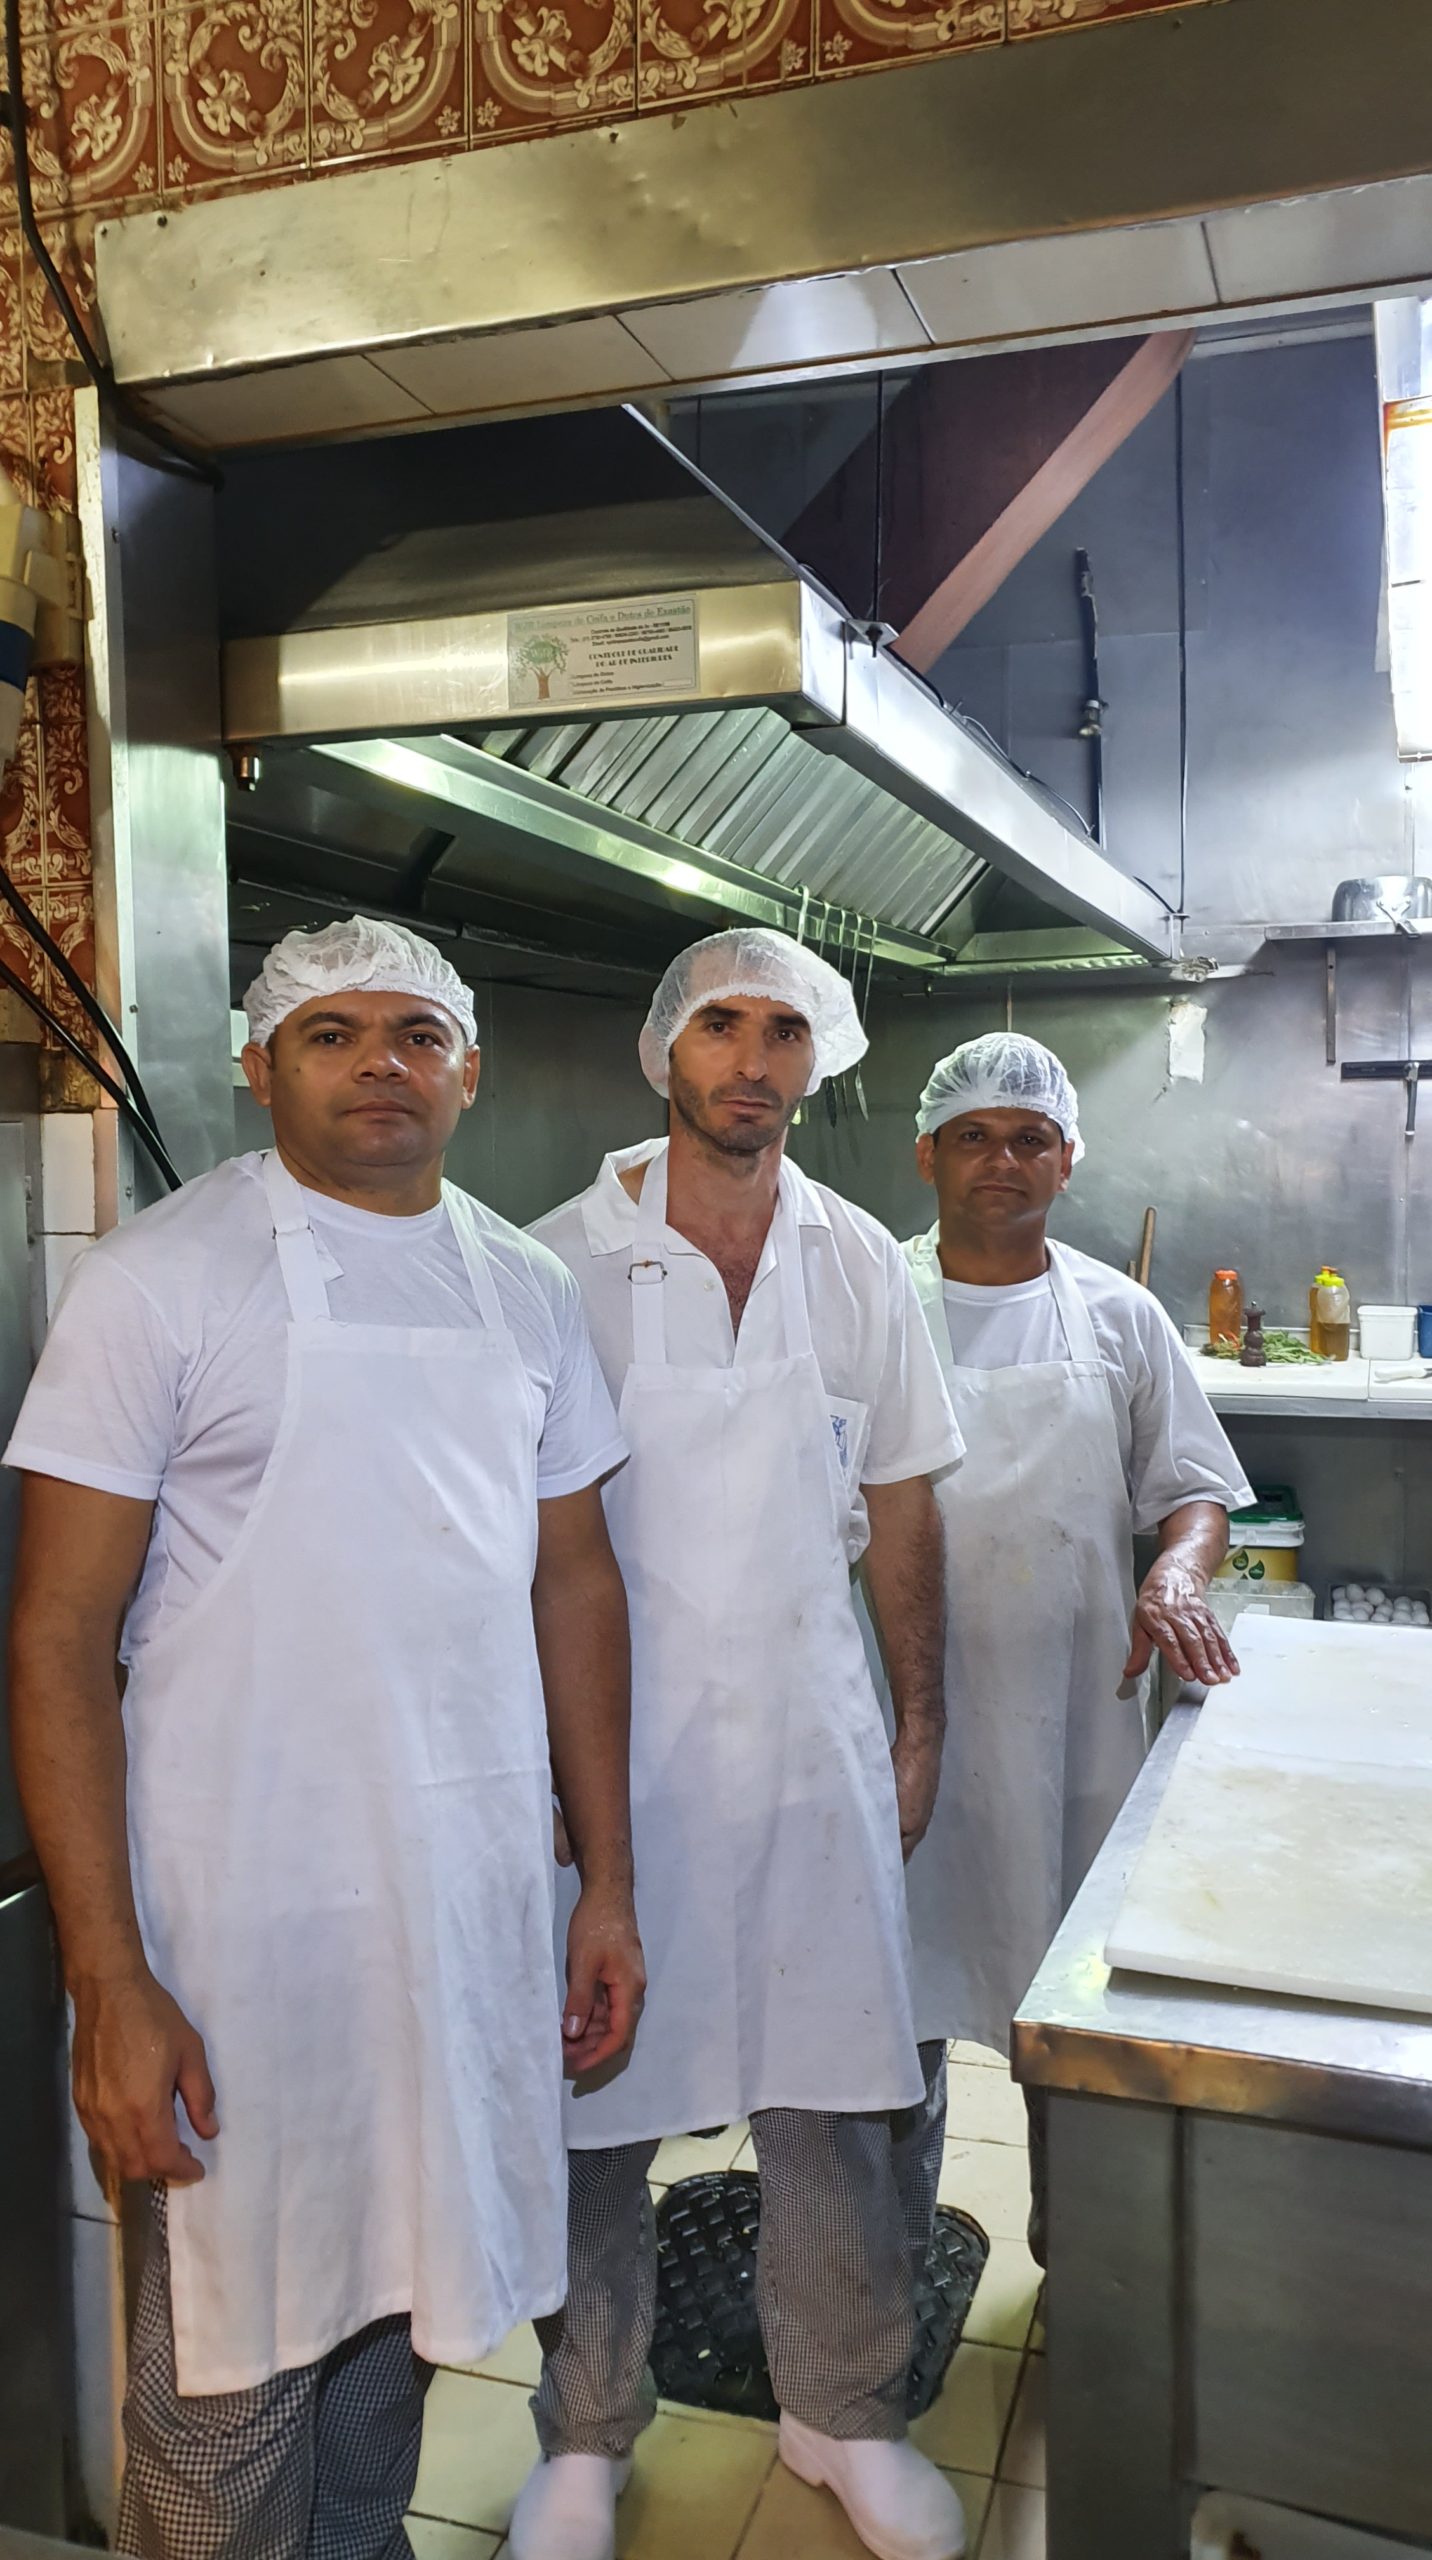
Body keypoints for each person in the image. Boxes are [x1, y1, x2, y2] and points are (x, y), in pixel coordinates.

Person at [6, 916, 646, 2560]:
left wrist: (606, 1885)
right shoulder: (161, 1279)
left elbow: (574, 1587)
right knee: (227, 2383)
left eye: (417, 1034)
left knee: (397, 2328)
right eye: (333, 1033)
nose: (382, 1064)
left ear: (470, 1071)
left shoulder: (524, 1287)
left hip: (458, 1908)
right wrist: (108, 1978)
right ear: (260, 1064)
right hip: (238, 1935)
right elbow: (59, 1633)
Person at [512, 927, 968, 2560]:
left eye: (785, 1032)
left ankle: (839, 2412)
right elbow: (522, 1543)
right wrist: (548, 1783)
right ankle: (581, 2436)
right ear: (663, 1051)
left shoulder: (857, 1263)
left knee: (834, 2096)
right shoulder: (550, 1264)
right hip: (613, 1766)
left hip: (808, 1744)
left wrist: (915, 1722)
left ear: (816, 1062)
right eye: (723, 1026)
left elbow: (904, 1505)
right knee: (595, 2106)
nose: (752, 1061)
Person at [897, 1031, 1253, 2259]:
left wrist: (1176, 1563)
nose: (1002, 1160)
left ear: (1067, 1159)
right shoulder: (866, 1299)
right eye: (974, 1136)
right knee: (897, 2004)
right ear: (926, 1153)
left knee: (1079, 2007)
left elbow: (1195, 1487)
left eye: (1029, 1137)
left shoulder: (1122, 1312)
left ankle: (1079, 2258)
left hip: (1079, 1726)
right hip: (906, 1724)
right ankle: (882, 2254)